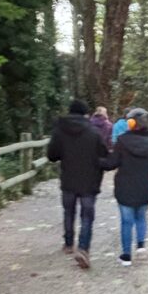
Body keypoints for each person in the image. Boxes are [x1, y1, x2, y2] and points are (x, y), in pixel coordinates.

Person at [46, 99, 107, 269]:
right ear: (85, 114)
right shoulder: (94, 133)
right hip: (89, 181)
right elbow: (103, 155)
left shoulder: (59, 131)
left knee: (68, 211)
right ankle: (83, 248)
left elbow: (51, 155)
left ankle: (68, 243)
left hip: (68, 179)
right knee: (87, 216)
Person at [101, 107, 148, 266]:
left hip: (125, 188)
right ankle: (141, 247)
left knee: (126, 221)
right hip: (145, 187)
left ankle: (126, 256)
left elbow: (111, 164)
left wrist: (96, 161)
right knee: (141, 217)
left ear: (130, 123)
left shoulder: (122, 141)